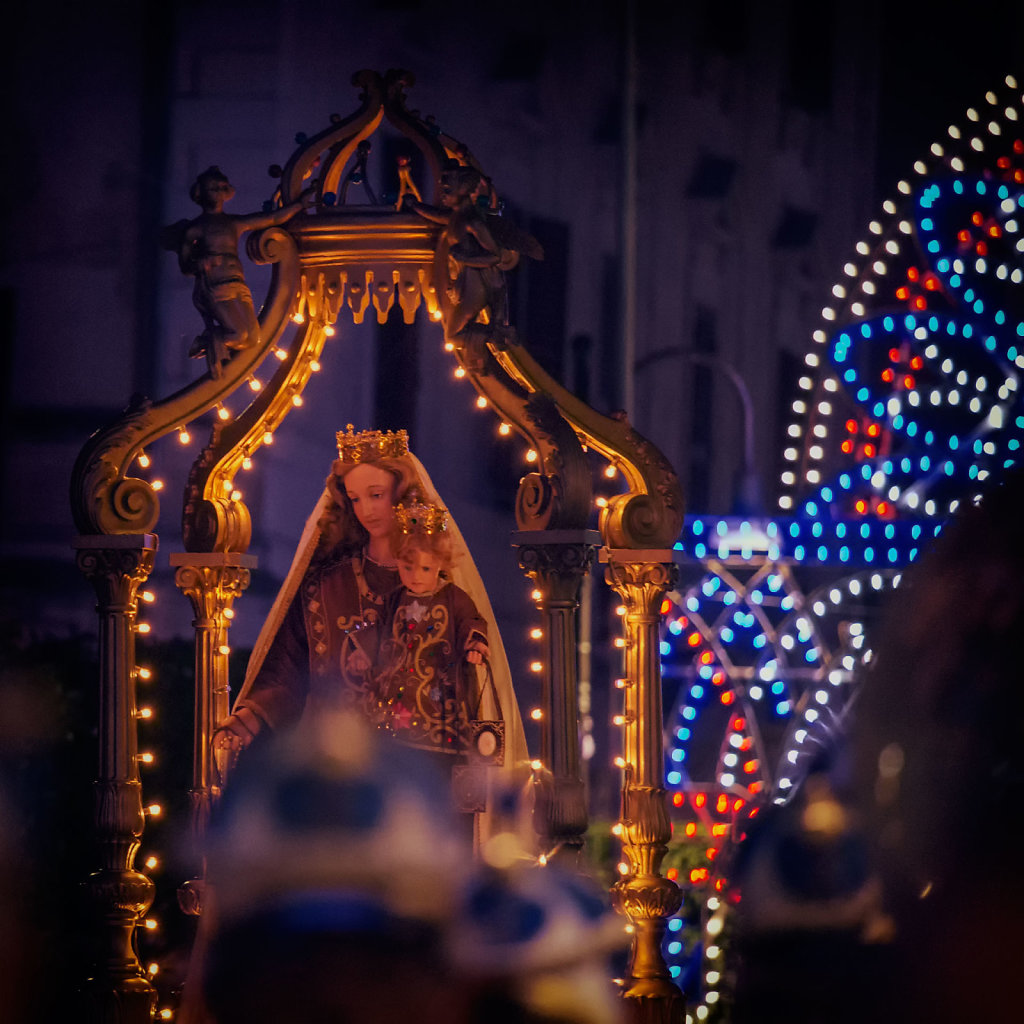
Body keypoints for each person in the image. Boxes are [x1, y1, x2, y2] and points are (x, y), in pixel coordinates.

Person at [213, 426, 529, 838]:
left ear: (403, 492)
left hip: (428, 761)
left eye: (376, 495)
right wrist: (251, 715)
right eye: (355, 498)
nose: (365, 510)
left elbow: (467, 672)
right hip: (341, 771)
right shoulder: (326, 586)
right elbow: (287, 664)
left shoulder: (444, 589)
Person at [164, 166, 313, 376]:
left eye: (219, 188)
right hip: (215, 284)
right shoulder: (195, 229)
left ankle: (211, 342)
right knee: (238, 333)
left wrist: (298, 205)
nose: (216, 192)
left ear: (226, 192)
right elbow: (186, 267)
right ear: (201, 193)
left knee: (253, 337)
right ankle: (211, 341)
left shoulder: (233, 223)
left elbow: (271, 219)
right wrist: (202, 263)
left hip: (237, 281)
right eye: (211, 188)